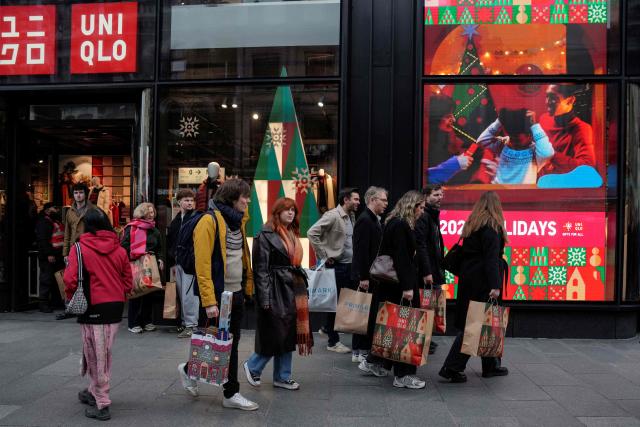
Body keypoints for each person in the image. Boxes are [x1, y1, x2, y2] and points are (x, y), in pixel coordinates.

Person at [177, 179, 258, 411]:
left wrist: (247, 285)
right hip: (217, 297)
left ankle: (193, 373)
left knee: (229, 344)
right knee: (214, 343)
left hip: (236, 293)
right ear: (233, 197)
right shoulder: (208, 220)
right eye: (244, 196)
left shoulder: (238, 222)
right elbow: (202, 265)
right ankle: (230, 392)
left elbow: (242, 256)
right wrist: (209, 301)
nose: (248, 200)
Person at [64, 209, 133, 421]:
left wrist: (70, 298)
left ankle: (102, 402)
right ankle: (93, 390)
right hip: (114, 307)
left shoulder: (79, 248)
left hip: (92, 306)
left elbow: (70, 280)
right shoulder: (119, 249)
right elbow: (128, 279)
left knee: (97, 355)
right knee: (101, 351)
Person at [359, 191, 427, 389]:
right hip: (400, 287)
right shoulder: (400, 225)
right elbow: (401, 258)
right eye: (420, 207)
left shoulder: (396, 222)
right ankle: (404, 375)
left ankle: (377, 362)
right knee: (406, 330)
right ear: (411, 206)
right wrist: (408, 288)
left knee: (393, 327)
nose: (422, 212)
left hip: (394, 286)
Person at [243, 197, 313, 391]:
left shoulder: (292, 232)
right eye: (287, 210)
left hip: (293, 288)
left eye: (293, 210)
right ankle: (253, 366)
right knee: (278, 334)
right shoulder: (264, 234)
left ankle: (282, 376)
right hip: (275, 289)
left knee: (288, 333)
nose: (291, 213)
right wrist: (264, 297)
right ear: (277, 212)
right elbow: (260, 269)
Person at [439, 191, 509, 383]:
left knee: (485, 322)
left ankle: (491, 365)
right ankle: (452, 367)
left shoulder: (473, 224)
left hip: (470, 279)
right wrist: (495, 285)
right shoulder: (492, 227)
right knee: (476, 325)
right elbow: (491, 259)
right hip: (484, 282)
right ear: (496, 206)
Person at [307, 187, 361, 354]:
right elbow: (312, 233)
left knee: (342, 302)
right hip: (337, 267)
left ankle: (326, 327)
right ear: (346, 200)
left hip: (348, 266)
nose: (358, 202)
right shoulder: (332, 216)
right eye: (356, 199)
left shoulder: (351, 216)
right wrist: (324, 255)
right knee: (335, 304)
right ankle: (333, 341)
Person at [350, 186, 388, 363]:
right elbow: (360, 251)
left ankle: (361, 348)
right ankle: (359, 350)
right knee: (363, 312)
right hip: (367, 276)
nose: (386, 203)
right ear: (372, 200)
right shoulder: (365, 220)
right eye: (383, 200)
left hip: (371, 275)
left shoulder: (373, 219)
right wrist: (363, 277)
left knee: (366, 311)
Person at [477, 108, 554, 184]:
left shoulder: (535, 152)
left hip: (522, 195)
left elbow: (547, 153)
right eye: (512, 138)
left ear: (530, 136)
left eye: (518, 140)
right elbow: (481, 141)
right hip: (499, 193)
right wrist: (499, 121)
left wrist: (535, 126)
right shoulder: (503, 144)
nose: (514, 143)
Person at [121, 202, 165, 334]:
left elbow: (159, 248)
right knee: (136, 292)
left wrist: (160, 259)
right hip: (134, 263)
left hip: (150, 263)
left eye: (152, 212)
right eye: (148, 212)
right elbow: (123, 246)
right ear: (142, 213)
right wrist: (139, 253)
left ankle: (147, 321)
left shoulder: (154, 230)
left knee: (149, 293)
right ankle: (133, 323)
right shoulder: (130, 228)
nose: (151, 215)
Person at [415, 185, 446, 355]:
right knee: (426, 306)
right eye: (435, 194)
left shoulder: (432, 215)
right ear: (426, 197)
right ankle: (422, 339)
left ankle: (425, 338)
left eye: (441, 194)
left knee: (430, 306)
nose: (440, 197)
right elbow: (421, 246)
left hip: (433, 270)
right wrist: (427, 272)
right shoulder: (424, 216)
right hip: (428, 273)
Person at [538, 84, 595, 176]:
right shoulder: (544, 119)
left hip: (563, 185)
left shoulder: (582, 129)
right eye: (547, 96)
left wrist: (551, 155)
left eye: (553, 98)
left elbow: (587, 167)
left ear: (570, 100)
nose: (547, 102)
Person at [59, 183, 97, 320]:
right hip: (75, 249)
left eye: (81, 192)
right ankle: (71, 307)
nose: (78, 195)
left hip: (89, 248)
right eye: (76, 193)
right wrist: (65, 253)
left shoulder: (93, 209)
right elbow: (67, 234)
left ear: (85, 194)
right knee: (71, 279)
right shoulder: (70, 211)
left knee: (89, 278)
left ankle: (89, 307)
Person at [167, 189, 199, 338]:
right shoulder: (176, 220)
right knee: (180, 294)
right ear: (179, 202)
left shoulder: (195, 218)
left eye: (191, 200)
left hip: (189, 263)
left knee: (189, 295)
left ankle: (191, 325)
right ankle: (184, 322)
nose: (190, 203)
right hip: (177, 261)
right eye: (186, 200)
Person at [35, 203, 65, 313]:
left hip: (58, 255)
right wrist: (49, 254)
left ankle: (56, 302)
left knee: (57, 280)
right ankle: (43, 303)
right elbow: (43, 240)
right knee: (46, 280)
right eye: (55, 208)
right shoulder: (43, 222)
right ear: (48, 210)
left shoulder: (55, 221)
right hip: (49, 256)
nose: (57, 210)